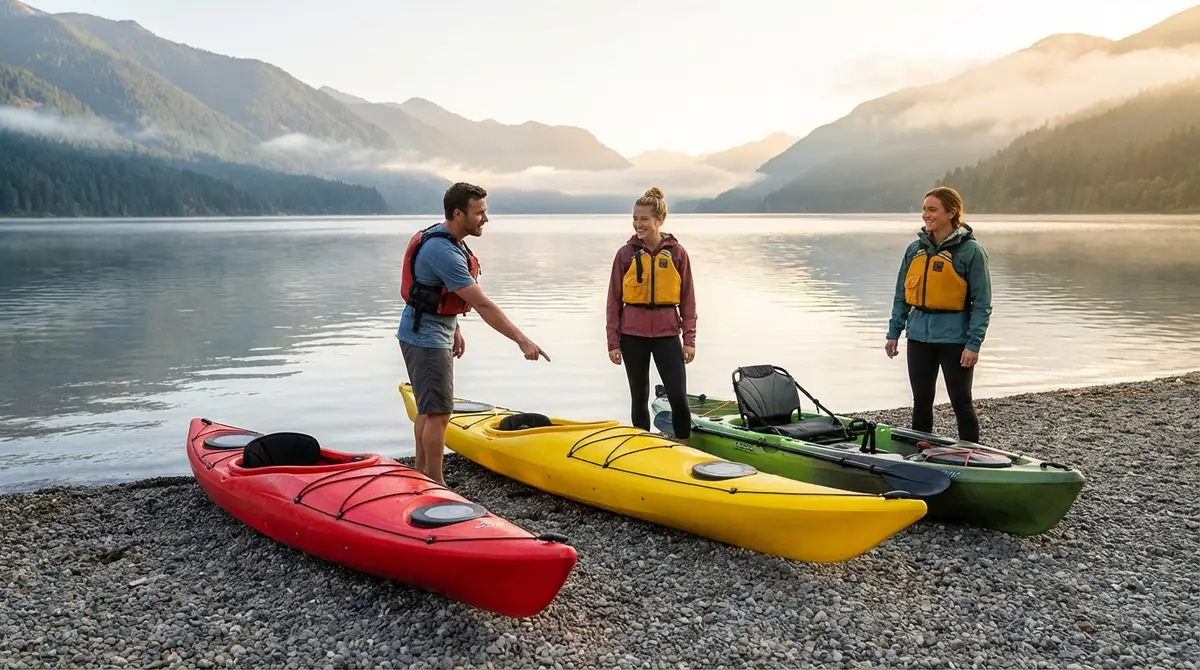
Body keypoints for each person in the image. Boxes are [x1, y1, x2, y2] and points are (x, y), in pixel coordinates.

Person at [398, 182, 550, 485]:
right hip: (426, 340)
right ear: (458, 214)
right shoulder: (444, 251)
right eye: (479, 212)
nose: (485, 218)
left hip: (424, 333)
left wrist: (455, 327)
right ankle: (436, 482)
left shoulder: (447, 239)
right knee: (439, 413)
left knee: (428, 410)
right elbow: (483, 305)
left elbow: (437, 293)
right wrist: (522, 340)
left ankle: (422, 474)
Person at [885, 186, 992, 443]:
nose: (926, 215)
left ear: (951, 212)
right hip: (918, 337)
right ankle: (921, 453)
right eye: (924, 209)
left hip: (955, 339)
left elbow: (982, 303)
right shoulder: (914, 250)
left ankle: (971, 454)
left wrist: (973, 343)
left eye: (932, 210)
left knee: (961, 402)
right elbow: (901, 295)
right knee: (921, 400)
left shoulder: (971, 251)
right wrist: (893, 332)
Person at [605, 186, 697, 441]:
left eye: (644, 219)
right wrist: (613, 342)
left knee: (678, 395)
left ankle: (683, 444)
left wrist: (689, 340)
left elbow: (688, 300)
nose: (638, 224)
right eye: (635, 218)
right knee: (639, 395)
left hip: (667, 334)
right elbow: (613, 301)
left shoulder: (678, 253)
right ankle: (642, 445)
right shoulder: (625, 254)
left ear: (659, 220)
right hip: (632, 336)